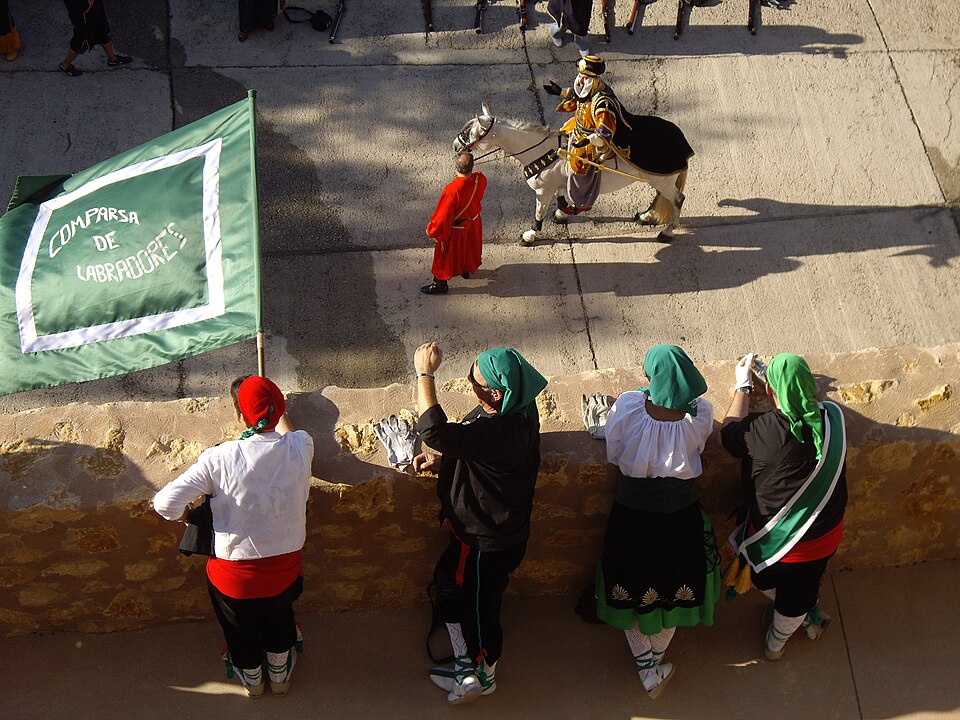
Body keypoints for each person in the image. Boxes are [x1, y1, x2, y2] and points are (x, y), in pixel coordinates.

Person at [153, 376, 314, 698]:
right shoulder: (301, 445)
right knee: (280, 618)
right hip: (285, 571)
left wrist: (188, 517)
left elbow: (164, 504)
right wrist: (273, 407)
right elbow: (286, 430)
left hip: (233, 579)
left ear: (238, 416)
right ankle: (280, 674)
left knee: (238, 629)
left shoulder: (219, 459)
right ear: (279, 408)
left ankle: (253, 680)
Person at [412, 342, 547, 704]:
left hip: (483, 542)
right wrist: (447, 465)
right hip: (506, 533)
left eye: (473, 381)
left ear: (494, 393)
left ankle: (480, 674)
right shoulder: (521, 410)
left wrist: (425, 374)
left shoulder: (498, 430)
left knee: (479, 608)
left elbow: (435, 432)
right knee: (462, 588)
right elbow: (485, 457)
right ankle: (470, 662)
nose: (469, 384)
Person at [595, 345, 720, 699]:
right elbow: (699, 447)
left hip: (632, 516)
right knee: (675, 586)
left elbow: (615, 452)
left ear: (651, 378)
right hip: (681, 516)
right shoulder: (701, 415)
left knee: (632, 584)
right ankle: (655, 659)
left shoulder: (629, 405)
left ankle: (647, 666)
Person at [720, 353, 848, 661]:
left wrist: (743, 386)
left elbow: (728, 432)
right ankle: (776, 644)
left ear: (769, 392)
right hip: (826, 537)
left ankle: (788, 627)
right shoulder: (833, 418)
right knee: (801, 593)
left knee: (767, 580)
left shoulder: (763, 431)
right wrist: (776, 382)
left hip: (780, 548)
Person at [545, 55, 694, 215]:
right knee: (561, 133)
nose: (580, 78)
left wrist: (588, 140)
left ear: (592, 78)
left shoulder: (602, 103)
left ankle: (582, 201)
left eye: (584, 76)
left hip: (594, 137)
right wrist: (560, 92)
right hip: (580, 127)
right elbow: (578, 96)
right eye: (580, 74)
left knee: (578, 167)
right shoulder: (590, 87)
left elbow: (605, 130)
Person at [421, 152, 487, 295]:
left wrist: (432, 231)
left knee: (444, 256)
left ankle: (439, 284)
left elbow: (442, 216)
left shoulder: (452, 190)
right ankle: (466, 270)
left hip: (457, 228)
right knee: (469, 249)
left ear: (455, 167)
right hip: (473, 223)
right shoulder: (480, 179)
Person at [59, 0, 132, 77]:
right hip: (82, 5)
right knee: (84, 35)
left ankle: (113, 59)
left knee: (101, 24)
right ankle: (65, 65)